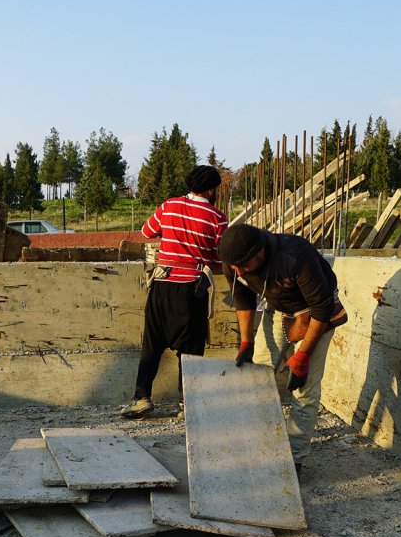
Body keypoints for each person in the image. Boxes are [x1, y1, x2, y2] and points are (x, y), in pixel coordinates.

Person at [218, 222, 348, 466]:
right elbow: (243, 298)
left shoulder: (295, 256)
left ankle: (294, 459)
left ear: (259, 252)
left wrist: (302, 357)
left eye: (243, 266)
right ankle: (261, 446)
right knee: (258, 378)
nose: (239, 272)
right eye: (234, 267)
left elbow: (322, 310)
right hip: (279, 311)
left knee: (304, 390)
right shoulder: (234, 261)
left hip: (316, 315)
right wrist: (246, 341)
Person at [121, 165, 228, 418]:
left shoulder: (169, 205)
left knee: (152, 343)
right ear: (211, 190)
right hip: (193, 288)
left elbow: (147, 232)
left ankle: (142, 398)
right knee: (191, 350)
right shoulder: (217, 217)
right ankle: (186, 403)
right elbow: (218, 259)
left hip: (162, 284)